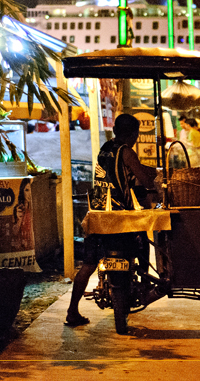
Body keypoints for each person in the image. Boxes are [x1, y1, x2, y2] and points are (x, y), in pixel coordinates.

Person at [65, 114, 157, 327]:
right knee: (142, 239)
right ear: (134, 134)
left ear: (115, 131)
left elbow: (116, 174)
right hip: (117, 216)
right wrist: (157, 178)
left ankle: (72, 311)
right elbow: (143, 179)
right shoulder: (126, 152)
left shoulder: (105, 148)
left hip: (97, 213)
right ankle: (143, 282)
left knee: (88, 264)